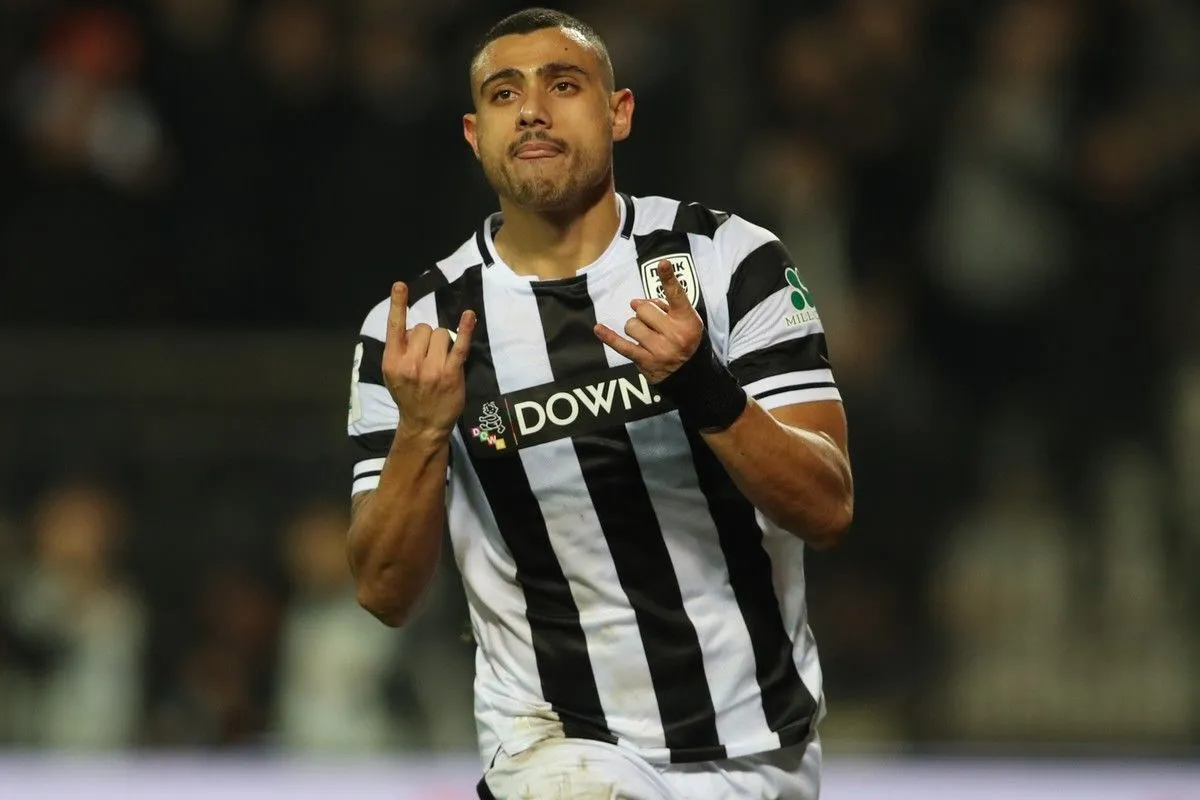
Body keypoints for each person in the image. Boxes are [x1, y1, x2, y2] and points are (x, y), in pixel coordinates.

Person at [345, 8, 853, 799]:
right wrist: (421, 431)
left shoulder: (729, 263)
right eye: (505, 94)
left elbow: (827, 508)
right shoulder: (416, 331)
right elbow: (383, 591)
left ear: (618, 114)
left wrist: (702, 386)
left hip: (758, 750)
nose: (532, 110)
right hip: (555, 744)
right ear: (476, 135)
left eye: (563, 85)